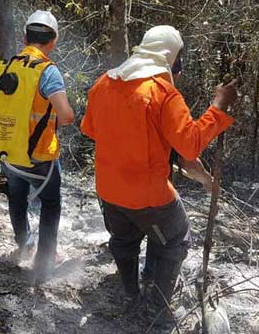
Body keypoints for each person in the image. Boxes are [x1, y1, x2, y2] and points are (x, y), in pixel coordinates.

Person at [81, 25, 237, 324]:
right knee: (176, 238)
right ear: (171, 59)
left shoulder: (104, 83)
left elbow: (90, 129)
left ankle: (131, 293)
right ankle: (158, 310)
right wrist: (219, 107)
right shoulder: (162, 93)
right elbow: (189, 144)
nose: (178, 71)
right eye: (178, 63)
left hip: (108, 189)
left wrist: (204, 178)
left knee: (124, 241)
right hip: (148, 195)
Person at [0, 10, 74, 283]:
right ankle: (44, 260)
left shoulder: (7, 66)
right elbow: (65, 116)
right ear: (53, 41)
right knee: (50, 203)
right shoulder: (47, 71)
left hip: (10, 151)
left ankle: (25, 245)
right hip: (40, 155)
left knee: (16, 197)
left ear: (25, 37)